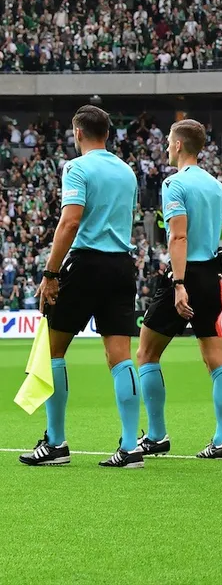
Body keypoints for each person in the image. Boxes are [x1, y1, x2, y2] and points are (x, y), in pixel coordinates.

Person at [20, 105, 142, 468]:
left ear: (77, 132)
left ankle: (56, 443)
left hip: (86, 263)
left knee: (53, 351)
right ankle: (131, 445)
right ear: (107, 133)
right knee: (120, 357)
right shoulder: (127, 171)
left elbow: (70, 222)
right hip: (122, 266)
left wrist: (50, 273)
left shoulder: (75, 168)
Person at [135, 120, 222, 460]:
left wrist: (178, 284)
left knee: (146, 353)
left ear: (178, 145)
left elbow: (178, 236)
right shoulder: (216, 186)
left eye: (167, 141)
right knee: (216, 360)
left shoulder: (174, 184)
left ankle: (158, 435)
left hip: (185, 274)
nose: (165, 146)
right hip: (212, 275)